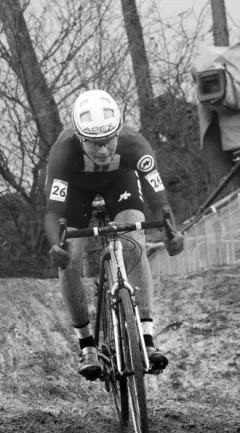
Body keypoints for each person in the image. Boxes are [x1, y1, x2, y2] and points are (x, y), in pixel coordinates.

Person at [44, 89, 185, 380]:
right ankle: (86, 344)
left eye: (108, 141)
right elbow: (52, 212)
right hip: (76, 191)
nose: (104, 150)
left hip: (119, 183)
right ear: (80, 138)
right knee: (69, 258)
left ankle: (146, 336)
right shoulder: (63, 153)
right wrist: (55, 245)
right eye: (94, 144)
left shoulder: (135, 145)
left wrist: (170, 230)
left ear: (119, 131)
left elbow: (158, 198)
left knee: (134, 241)